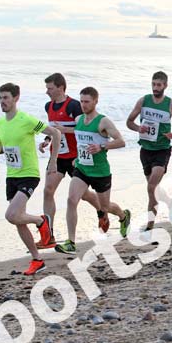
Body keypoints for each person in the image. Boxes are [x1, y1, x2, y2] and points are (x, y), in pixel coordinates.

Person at [0, 83, 61, 275]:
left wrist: (53, 161)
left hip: (29, 174)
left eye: (6, 97)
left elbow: (55, 133)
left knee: (11, 215)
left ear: (15, 98)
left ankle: (40, 221)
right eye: (0, 98)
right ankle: (37, 260)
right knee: (18, 221)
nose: (2, 102)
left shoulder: (26, 120)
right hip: (12, 176)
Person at [55, 87, 131, 254]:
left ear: (96, 101)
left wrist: (102, 146)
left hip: (100, 171)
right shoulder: (79, 119)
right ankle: (71, 242)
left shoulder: (103, 122)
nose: (83, 105)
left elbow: (121, 142)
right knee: (71, 200)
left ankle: (123, 216)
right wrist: (77, 157)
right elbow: (79, 135)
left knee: (105, 207)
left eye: (87, 101)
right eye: (81, 101)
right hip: (82, 168)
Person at [38, 73, 106, 236]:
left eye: (50, 88)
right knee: (48, 190)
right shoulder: (48, 106)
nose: (47, 92)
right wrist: (47, 139)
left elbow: (83, 128)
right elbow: (53, 128)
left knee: (84, 195)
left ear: (61, 88)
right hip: (58, 157)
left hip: (76, 157)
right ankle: (49, 234)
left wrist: (63, 130)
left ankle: (102, 211)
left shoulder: (73, 106)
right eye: (47, 88)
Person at [126, 71, 172, 231]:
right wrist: (139, 128)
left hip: (162, 150)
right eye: (153, 84)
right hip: (145, 150)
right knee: (153, 188)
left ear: (165, 86)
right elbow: (129, 122)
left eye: (159, 85)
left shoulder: (171, 104)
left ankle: (150, 225)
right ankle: (169, 203)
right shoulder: (143, 101)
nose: (155, 88)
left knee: (151, 187)